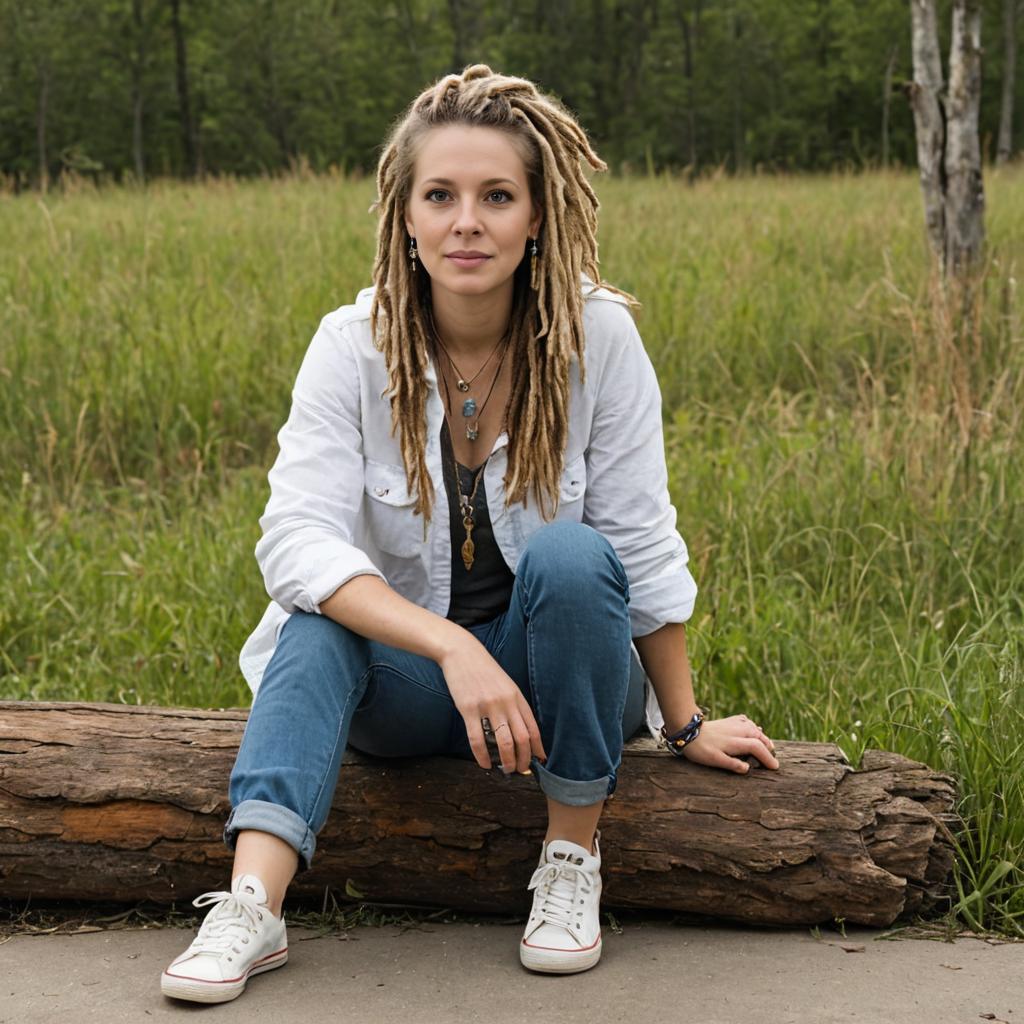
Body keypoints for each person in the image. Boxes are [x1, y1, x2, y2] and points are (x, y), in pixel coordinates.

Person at [160, 64, 779, 1004]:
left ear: (538, 217)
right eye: (440, 196)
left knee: (576, 556)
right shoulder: (350, 345)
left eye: (497, 196)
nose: (467, 222)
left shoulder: (598, 339)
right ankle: (252, 905)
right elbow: (296, 539)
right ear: (404, 216)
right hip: (408, 688)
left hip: (559, 678)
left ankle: (571, 863)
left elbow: (642, 541)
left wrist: (684, 721)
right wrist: (450, 647)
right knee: (315, 617)